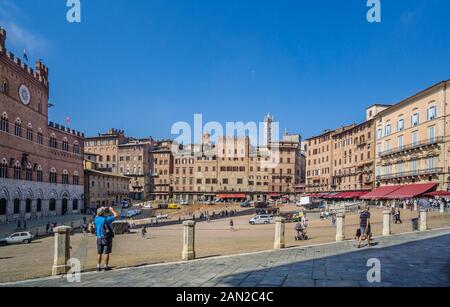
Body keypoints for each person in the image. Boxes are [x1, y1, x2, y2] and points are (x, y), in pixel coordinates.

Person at [95, 206, 119, 272]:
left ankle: (98, 266)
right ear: (103, 213)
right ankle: (105, 266)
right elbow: (116, 215)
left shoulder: (96, 219)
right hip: (106, 238)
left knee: (99, 253)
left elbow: (98, 214)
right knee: (106, 253)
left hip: (99, 238)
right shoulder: (106, 219)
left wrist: (102, 209)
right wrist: (112, 209)